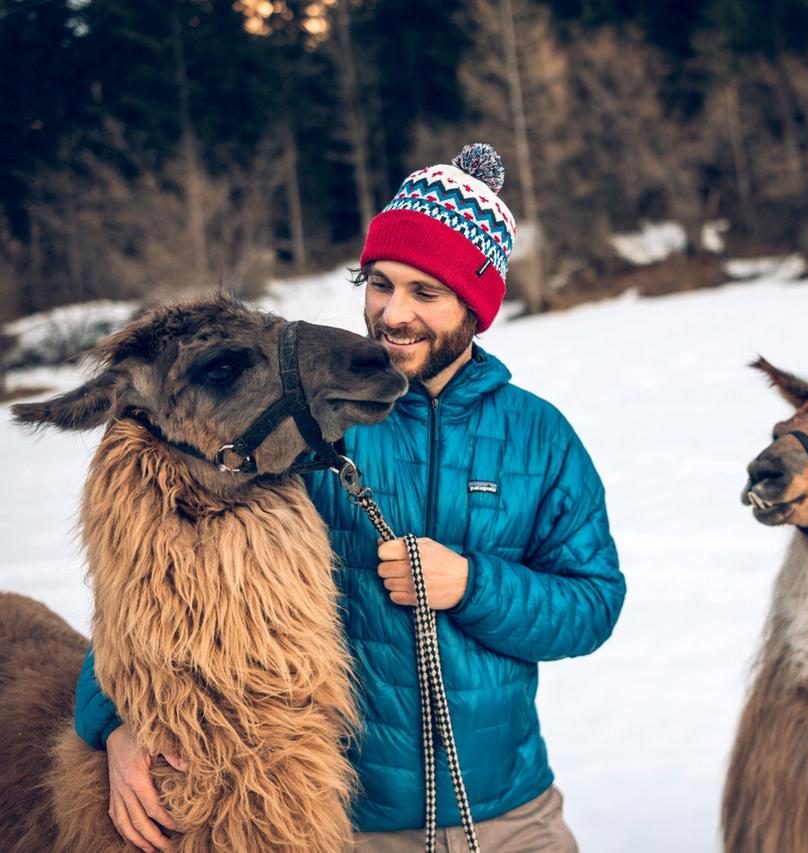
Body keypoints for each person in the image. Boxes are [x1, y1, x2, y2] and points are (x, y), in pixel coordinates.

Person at [72, 143, 625, 852]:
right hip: (342, 822)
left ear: (475, 305)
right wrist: (113, 720)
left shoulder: (538, 436)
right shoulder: (301, 423)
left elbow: (592, 602)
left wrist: (471, 584)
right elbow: (162, 572)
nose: (393, 314)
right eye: (379, 284)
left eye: (425, 293)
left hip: (515, 816)